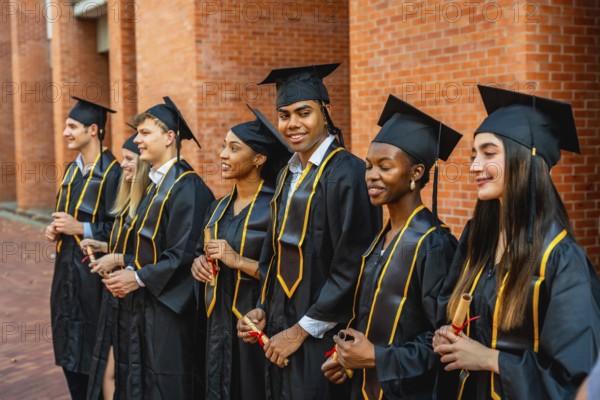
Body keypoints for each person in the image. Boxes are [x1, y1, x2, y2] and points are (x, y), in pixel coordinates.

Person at [432, 85, 600, 399]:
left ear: (526, 159)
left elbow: (575, 378)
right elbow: (454, 315)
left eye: (488, 153)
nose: (474, 166)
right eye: (474, 155)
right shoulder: (477, 239)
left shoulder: (561, 259)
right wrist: (447, 333)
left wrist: (488, 359)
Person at [237, 64, 381, 399]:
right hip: (280, 330)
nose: (293, 124)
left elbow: (353, 265)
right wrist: (263, 306)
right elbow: (276, 251)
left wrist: (301, 331)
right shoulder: (288, 173)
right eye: (284, 115)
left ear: (325, 112)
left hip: (322, 340)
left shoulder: (348, 173)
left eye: (304, 112)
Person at [321, 95, 462, 399]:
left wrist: (377, 358)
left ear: (416, 173)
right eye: (369, 166)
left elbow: (447, 339)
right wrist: (346, 360)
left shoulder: (433, 244)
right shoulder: (381, 239)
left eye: (385, 167)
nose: (371, 175)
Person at [102, 97, 215, 398]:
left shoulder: (186, 186)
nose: (137, 139)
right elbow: (152, 250)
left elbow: (184, 255)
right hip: (148, 307)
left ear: (169, 137)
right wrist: (124, 262)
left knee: (168, 384)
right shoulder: (155, 185)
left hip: (171, 314)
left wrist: (137, 277)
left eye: (145, 132)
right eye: (137, 133)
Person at [191, 105, 292, 400]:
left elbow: (286, 271)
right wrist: (198, 263)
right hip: (217, 325)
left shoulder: (276, 207)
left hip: (255, 324)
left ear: (259, 158)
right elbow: (202, 252)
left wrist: (237, 260)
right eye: (224, 147)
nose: (223, 155)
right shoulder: (217, 208)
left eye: (233, 148)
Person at [46, 96, 121, 399]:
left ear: (93, 130)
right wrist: (56, 230)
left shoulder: (114, 173)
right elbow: (67, 217)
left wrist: (81, 228)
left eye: (72, 126)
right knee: (68, 349)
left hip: (96, 282)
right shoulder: (71, 171)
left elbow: (124, 230)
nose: (66, 132)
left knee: (94, 356)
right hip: (66, 276)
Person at [80, 132, 151, 399]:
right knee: (109, 373)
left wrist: (119, 259)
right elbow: (128, 246)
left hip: (139, 302)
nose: (122, 164)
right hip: (119, 300)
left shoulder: (151, 203)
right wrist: (103, 247)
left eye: (129, 158)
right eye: (122, 158)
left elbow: (150, 255)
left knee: (117, 373)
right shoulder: (127, 202)